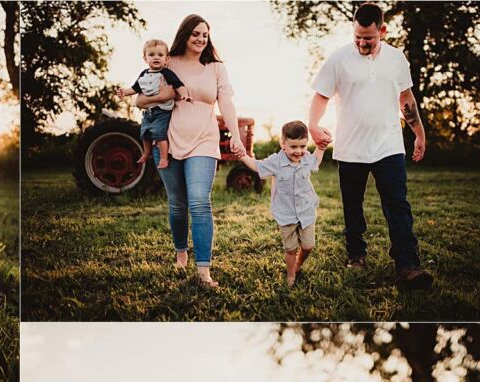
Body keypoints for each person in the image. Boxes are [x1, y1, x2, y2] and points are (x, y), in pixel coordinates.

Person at [308, 2, 433, 288]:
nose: (363, 43)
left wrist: (419, 133)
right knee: (353, 206)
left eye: (369, 38)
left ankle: (407, 265)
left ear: (383, 30)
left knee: (397, 204)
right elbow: (320, 97)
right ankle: (356, 255)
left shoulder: (396, 59)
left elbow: (406, 98)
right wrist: (314, 126)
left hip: (389, 145)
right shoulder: (339, 59)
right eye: (358, 38)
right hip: (351, 148)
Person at [135, 14, 247, 287]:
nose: (200, 38)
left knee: (199, 201)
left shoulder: (216, 67)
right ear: (184, 34)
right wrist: (168, 95)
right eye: (195, 33)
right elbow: (139, 99)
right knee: (177, 204)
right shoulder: (167, 61)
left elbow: (227, 104)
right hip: (168, 140)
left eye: (205, 34)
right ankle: (181, 253)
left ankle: (204, 270)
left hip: (203, 140)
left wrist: (236, 135)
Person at [238, 120, 328, 286]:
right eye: (293, 147)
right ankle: (291, 273)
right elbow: (258, 167)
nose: (299, 151)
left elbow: (316, 161)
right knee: (291, 249)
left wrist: (321, 146)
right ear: (283, 144)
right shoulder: (276, 162)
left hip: (306, 211)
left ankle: (299, 264)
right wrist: (243, 156)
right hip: (286, 214)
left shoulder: (307, 158)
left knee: (308, 246)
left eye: (302, 146)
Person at [117, 39, 188, 170]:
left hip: (162, 111)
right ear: (145, 58)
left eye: (160, 55)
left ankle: (164, 158)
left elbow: (178, 84)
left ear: (166, 59)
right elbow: (135, 88)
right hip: (148, 112)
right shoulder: (144, 74)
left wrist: (184, 94)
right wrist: (124, 92)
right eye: (152, 55)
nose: (156, 57)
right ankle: (146, 153)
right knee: (144, 133)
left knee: (159, 134)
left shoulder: (166, 73)